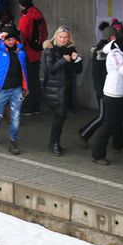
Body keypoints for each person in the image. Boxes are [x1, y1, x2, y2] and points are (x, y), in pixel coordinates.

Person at [90, 31, 123, 165]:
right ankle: (97, 155)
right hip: (113, 94)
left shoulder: (121, 50)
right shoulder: (114, 53)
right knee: (109, 124)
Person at [42, 26, 83, 156]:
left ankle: (54, 142)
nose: (63, 40)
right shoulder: (50, 50)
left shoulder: (72, 50)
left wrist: (77, 59)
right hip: (55, 89)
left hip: (67, 89)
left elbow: (79, 70)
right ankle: (54, 143)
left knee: (62, 117)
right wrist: (63, 61)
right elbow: (50, 69)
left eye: (66, 37)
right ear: (56, 37)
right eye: (60, 37)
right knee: (59, 117)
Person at [0, 27, 27, 155]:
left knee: (15, 117)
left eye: (13, 39)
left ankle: (13, 141)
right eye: (8, 39)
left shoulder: (20, 51)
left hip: (16, 89)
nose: (11, 42)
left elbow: (24, 70)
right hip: (1, 89)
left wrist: (26, 86)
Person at [78, 23, 120, 148]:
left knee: (109, 116)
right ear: (112, 37)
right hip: (103, 90)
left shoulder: (102, 50)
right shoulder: (102, 53)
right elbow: (98, 75)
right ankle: (84, 133)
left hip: (105, 89)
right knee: (103, 116)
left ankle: (117, 143)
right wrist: (101, 91)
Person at [17, 0, 47, 115]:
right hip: (37, 52)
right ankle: (36, 106)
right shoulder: (38, 14)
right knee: (34, 80)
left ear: (21, 5)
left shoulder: (26, 18)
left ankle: (27, 107)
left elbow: (22, 36)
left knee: (26, 80)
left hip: (27, 53)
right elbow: (44, 32)